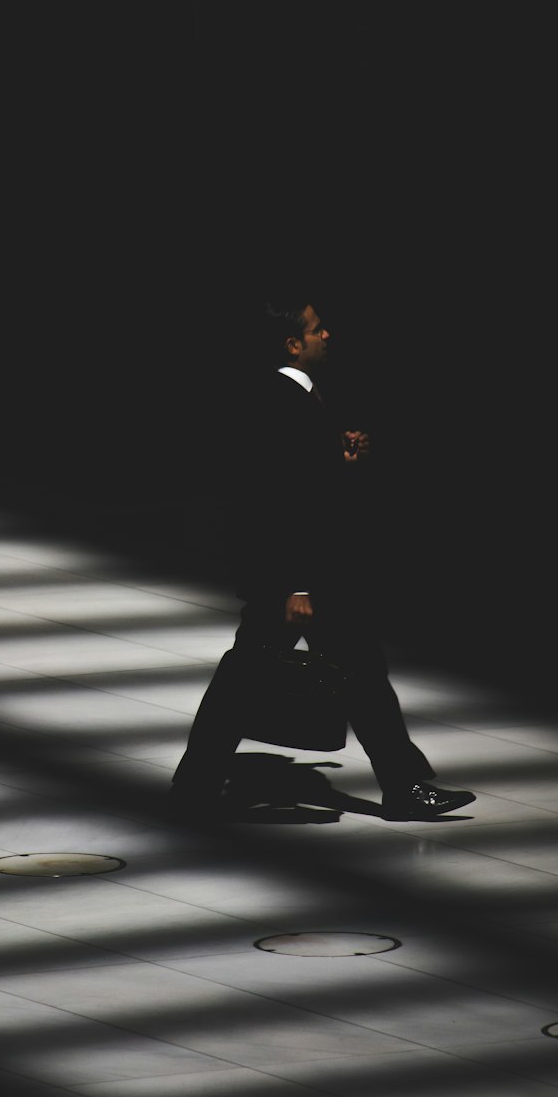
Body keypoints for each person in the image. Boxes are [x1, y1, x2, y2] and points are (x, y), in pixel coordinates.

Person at [169, 295, 476, 822]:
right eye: (316, 329)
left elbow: (306, 486)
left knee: (354, 674)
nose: (327, 334)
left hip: (306, 576)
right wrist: (298, 585)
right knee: (249, 678)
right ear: (294, 344)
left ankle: (401, 785)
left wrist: (341, 462)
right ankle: (195, 786)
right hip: (299, 579)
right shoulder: (282, 402)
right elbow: (279, 502)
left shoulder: (292, 398)